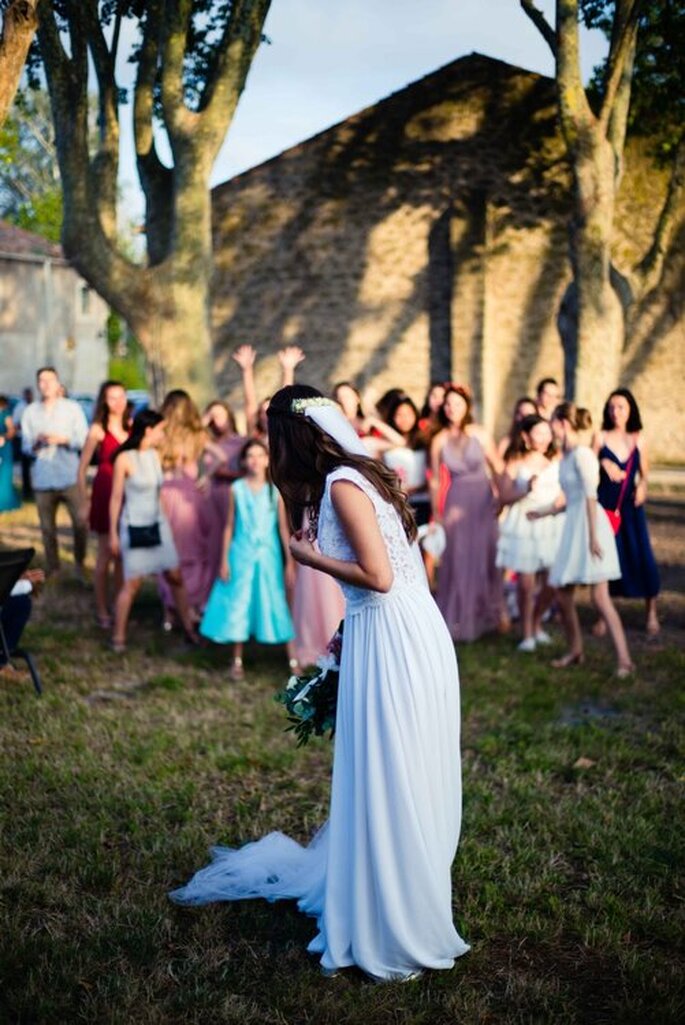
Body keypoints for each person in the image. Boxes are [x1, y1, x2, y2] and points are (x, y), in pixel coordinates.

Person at [171, 385, 469, 982]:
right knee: (394, 772)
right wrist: (342, 638)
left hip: (395, 635)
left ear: (291, 438)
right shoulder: (354, 479)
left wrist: (308, 560)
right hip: (394, 630)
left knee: (394, 772)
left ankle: (396, 918)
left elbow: (379, 577)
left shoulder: (341, 485)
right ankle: (393, 896)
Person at [530, 402, 633, 677]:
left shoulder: (584, 455)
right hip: (574, 523)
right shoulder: (566, 456)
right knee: (563, 595)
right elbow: (571, 501)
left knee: (600, 597)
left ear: (563, 423)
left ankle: (624, 660)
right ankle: (575, 649)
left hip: (590, 527)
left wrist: (592, 538)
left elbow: (590, 495)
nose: (550, 427)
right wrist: (542, 513)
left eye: (552, 421)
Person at [200, 438, 297, 681]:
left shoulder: (275, 491)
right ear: (243, 461)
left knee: (274, 600)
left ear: (267, 460)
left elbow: (283, 529)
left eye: (259, 455)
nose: (255, 460)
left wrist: (290, 563)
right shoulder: (237, 489)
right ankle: (237, 659)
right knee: (238, 601)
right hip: (241, 552)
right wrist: (223, 559)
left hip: (269, 555)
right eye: (250, 456)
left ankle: (292, 659)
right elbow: (229, 526)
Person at [109, 410, 198, 653]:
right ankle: (118, 636)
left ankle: (189, 629)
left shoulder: (154, 455)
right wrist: (114, 533)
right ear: (148, 430)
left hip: (159, 525)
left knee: (176, 576)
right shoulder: (124, 458)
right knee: (132, 584)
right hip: (134, 524)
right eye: (160, 429)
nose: (163, 435)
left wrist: (166, 524)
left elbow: (158, 493)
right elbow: (116, 498)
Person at [431, 384, 503, 641]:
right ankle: (459, 617)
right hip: (456, 498)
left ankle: (488, 615)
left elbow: (497, 466)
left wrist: (502, 498)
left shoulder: (480, 434)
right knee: (458, 556)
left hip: (482, 498)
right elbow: (436, 481)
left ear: (467, 407)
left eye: (458, 404)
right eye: (448, 404)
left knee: (485, 553)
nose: (453, 409)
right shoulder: (438, 439)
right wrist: (437, 513)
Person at [593, 388, 660, 636]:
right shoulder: (599, 437)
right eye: (611, 407)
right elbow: (589, 469)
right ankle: (603, 615)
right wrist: (603, 462)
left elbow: (645, 473)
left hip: (630, 507)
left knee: (641, 555)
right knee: (606, 560)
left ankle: (651, 612)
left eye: (621, 406)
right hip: (605, 506)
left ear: (630, 409)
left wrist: (642, 486)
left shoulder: (638, 438)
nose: (615, 412)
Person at [158, 390, 225, 627]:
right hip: (189, 495)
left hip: (166, 493)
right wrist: (206, 477)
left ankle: (170, 608)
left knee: (170, 552)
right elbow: (221, 456)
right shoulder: (197, 434)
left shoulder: (162, 433)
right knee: (196, 553)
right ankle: (194, 605)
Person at [496, 415, 563, 651]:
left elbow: (564, 491)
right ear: (526, 436)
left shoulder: (557, 458)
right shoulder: (515, 461)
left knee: (554, 581)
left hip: (551, 523)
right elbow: (503, 496)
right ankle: (526, 633)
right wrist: (525, 489)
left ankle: (537, 622)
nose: (544, 437)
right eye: (538, 432)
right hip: (524, 523)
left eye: (547, 432)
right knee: (525, 584)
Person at [21, 367, 89, 578]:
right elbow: (24, 446)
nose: (46, 384)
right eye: (42, 380)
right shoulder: (30, 411)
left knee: (80, 523)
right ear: (38, 384)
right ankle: (54, 568)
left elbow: (83, 439)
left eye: (50, 379)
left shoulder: (72, 409)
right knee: (47, 528)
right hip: (43, 478)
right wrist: (36, 443)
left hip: (69, 475)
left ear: (58, 383)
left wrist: (63, 439)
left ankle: (79, 562)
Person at [77, 380, 130, 628]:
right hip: (104, 493)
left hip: (128, 496)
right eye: (112, 397)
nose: (118, 402)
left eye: (121, 396)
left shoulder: (131, 428)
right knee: (105, 555)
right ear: (104, 401)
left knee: (122, 556)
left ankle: (119, 605)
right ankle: (101, 608)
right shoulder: (98, 430)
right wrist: (85, 501)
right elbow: (81, 469)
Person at [496, 395, 538, 460]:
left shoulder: (543, 445)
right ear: (516, 416)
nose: (525, 420)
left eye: (530, 416)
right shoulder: (506, 444)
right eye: (522, 415)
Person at [11, 387, 34, 500]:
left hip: (32, 439)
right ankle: (26, 490)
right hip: (21, 438)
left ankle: (31, 489)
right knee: (25, 467)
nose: (30, 397)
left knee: (32, 467)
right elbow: (15, 424)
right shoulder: (20, 408)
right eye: (28, 394)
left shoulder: (34, 407)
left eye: (31, 394)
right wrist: (25, 426)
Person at [0, 396, 20, 512]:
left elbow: (12, 431)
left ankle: (3, 500)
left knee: (3, 474)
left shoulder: (6, 414)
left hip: (4, 448)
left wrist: (3, 437)